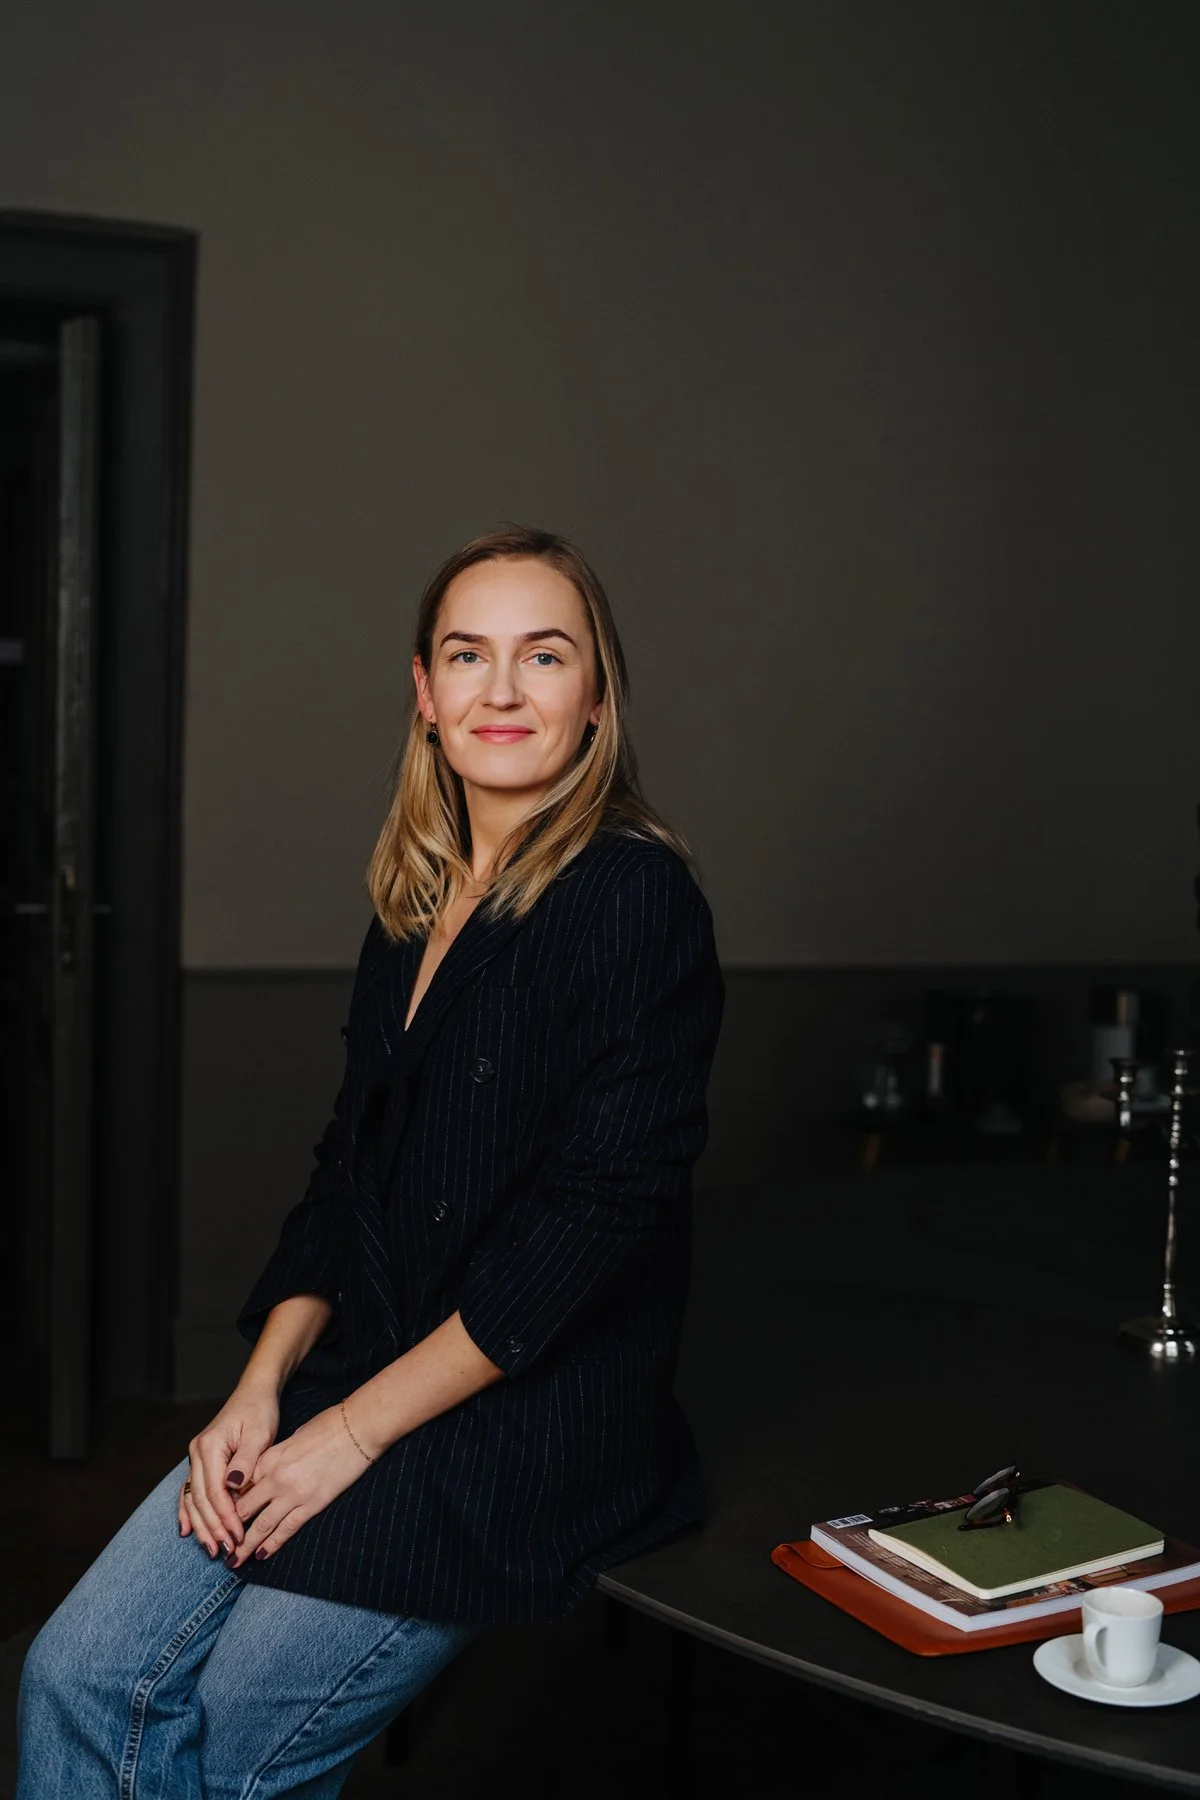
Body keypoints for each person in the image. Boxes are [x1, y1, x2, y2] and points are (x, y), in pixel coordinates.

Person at [17, 522, 725, 1798]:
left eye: (543, 656)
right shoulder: (413, 898)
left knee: (234, 1735)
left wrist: (346, 1435)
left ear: (597, 695)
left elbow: (591, 1224)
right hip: (354, 1372)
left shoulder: (635, 900)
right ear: (424, 690)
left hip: (516, 1427)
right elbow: (349, 1173)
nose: (501, 691)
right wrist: (260, 1388)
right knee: (71, 1677)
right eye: (468, 655)